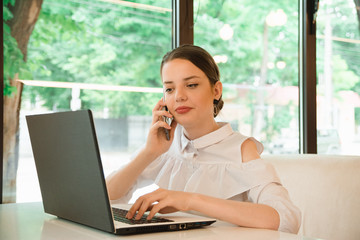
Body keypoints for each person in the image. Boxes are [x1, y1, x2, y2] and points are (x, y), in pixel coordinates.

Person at [106, 44, 301, 233]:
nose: (179, 96)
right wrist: (149, 152)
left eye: (191, 85)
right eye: (169, 89)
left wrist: (189, 200)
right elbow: (106, 198)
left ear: (216, 91)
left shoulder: (242, 149)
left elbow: (286, 219)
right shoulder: (166, 144)